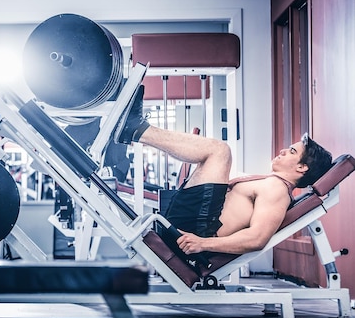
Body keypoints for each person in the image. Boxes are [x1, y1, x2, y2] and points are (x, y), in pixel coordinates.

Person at [114, 85, 333, 259]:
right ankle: (135, 131)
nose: (284, 150)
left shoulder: (277, 190)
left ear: (301, 167)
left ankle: (137, 130)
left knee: (220, 151)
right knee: (216, 154)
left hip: (196, 232)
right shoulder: (271, 183)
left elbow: (257, 238)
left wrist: (202, 243)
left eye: (292, 151)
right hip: (194, 223)